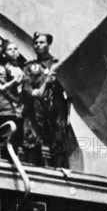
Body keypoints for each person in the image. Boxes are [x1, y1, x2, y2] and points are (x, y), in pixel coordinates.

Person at [21, 32, 70, 168]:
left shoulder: (58, 65)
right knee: (32, 143)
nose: (38, 45)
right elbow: (26, 87)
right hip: (36, 111)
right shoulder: (29, 66)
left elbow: (69, 85)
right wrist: (34, 92)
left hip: (55, 109)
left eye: (41, 42)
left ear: (49, 44)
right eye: (36, 43)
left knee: (58, 144)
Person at [0, 37, 23, 159]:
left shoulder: (6, 64)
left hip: (7, 107)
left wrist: (7, 84)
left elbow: (17, 78)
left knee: (9, 140)